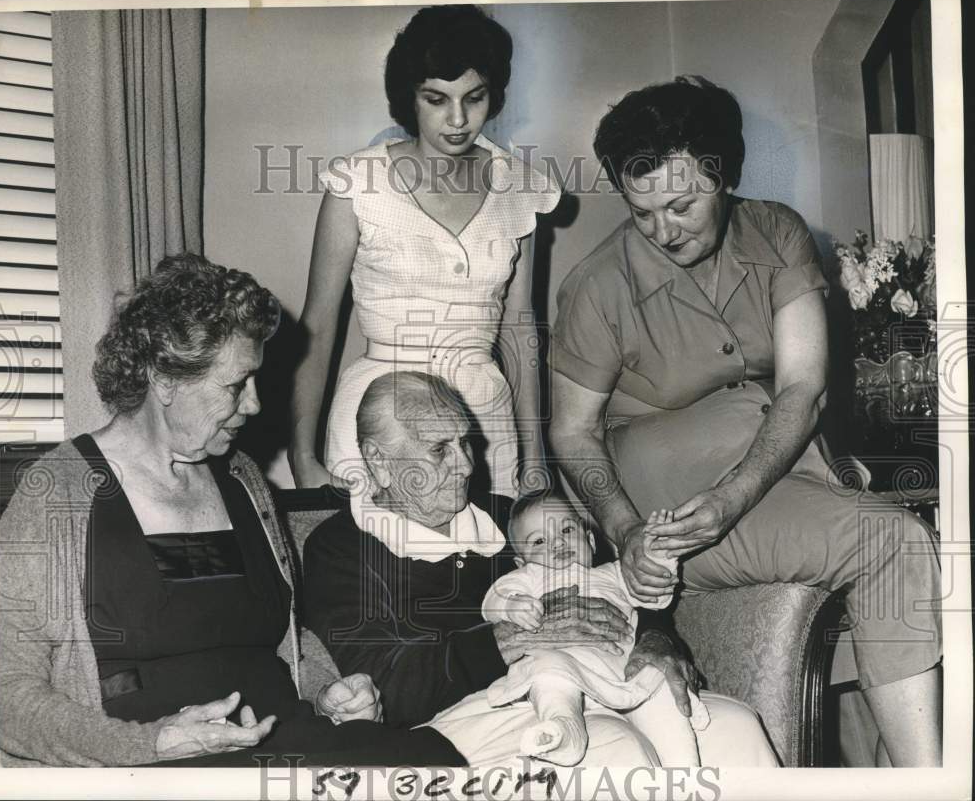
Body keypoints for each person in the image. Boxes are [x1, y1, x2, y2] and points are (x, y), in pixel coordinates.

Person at [548, 76, 942, 766]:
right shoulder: (596, 284)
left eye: (682, 204)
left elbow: (803, 388)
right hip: (666, 505)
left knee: (894, 560)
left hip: (764, 477)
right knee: (892, 543)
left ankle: (895, 767)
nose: (663, 230)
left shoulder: (776, 231)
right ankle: (926, 779)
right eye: (642, 214)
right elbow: (572, 432)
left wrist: (732, 500)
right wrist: (624, 531)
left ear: (723, 176)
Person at [0, 255, 463, 767]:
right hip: (160, 762)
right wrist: (149, 742)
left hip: (287, 738)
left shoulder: (241, 478)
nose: (256, 404)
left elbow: (274, 635)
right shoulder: (55, 491)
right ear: (164, 379)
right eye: (237, 385)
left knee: (437, 765)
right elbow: (5, 693)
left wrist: (331, 692)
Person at [303, 370, 778, 768]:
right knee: (616, 754)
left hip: (598, 675)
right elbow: (386, 686)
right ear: (379, 463)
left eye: (464, 442)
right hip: (470, 715)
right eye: (439, 450)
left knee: (736, 731)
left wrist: (654, 636)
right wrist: (514, 638)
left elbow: (608, 578)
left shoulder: (504, 514)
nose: (466, 465)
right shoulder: (341, 548)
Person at [289, 4, 560, 498]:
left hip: (482, 420)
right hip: (379, 414)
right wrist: (301, 455)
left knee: (486, 569)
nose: (458, 120)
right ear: (409, 99)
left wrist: (536, 457)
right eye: (436, 99)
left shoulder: (523, 189)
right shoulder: (356, 185)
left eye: (474, 98)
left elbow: (522, 333)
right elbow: (318, 325)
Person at [478, 492, 708, 767]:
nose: (558, 542)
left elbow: (655, 597)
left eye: (566, 529)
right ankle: (564, 730)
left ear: (589, 540)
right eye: (539, 541)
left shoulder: (614, 573)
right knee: (548, 674)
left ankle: (685, 773)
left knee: (658, 683)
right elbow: (493, 600)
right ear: (521, 563)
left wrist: (660, 556)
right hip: (567, 663)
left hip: (624, 668)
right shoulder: (529, 578)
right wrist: (513, 605)